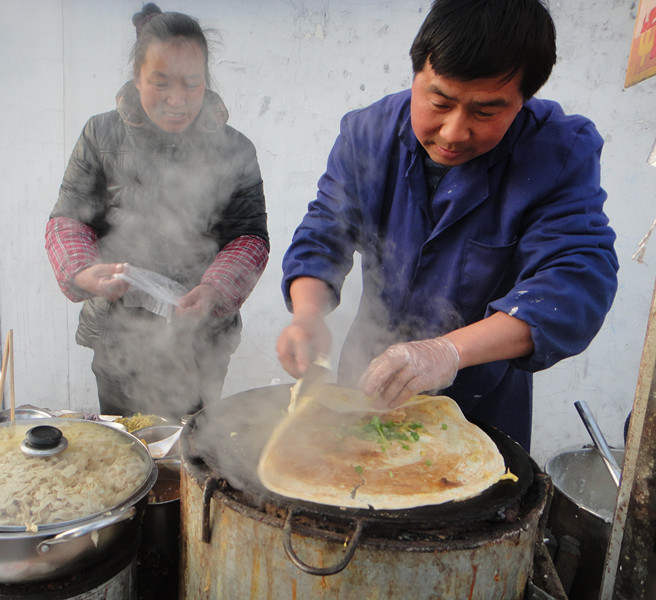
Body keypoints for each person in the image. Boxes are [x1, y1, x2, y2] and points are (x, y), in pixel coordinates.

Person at [277, 0, 618, 451]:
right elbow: (324, 232)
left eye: (485, 112)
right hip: (366, 381)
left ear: (523, 101)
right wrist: (306, 316)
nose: (454, 132)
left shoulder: (558, 152)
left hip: (483, 402)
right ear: (416, 74)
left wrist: (447, 352)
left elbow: (576, 281)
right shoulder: (369, 134)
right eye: (439, 101)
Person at [46, 4, 269, 420]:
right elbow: (68, 219)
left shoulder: (235, 148)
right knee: (127, 447)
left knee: (193, 448)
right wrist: (80, 271)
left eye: (192, 84)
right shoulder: (100, 134)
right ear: (136, 77)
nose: (176, 100)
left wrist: (214, 289)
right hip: (118, 337)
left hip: (200, 339)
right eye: (160, 83)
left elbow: (249, 237)